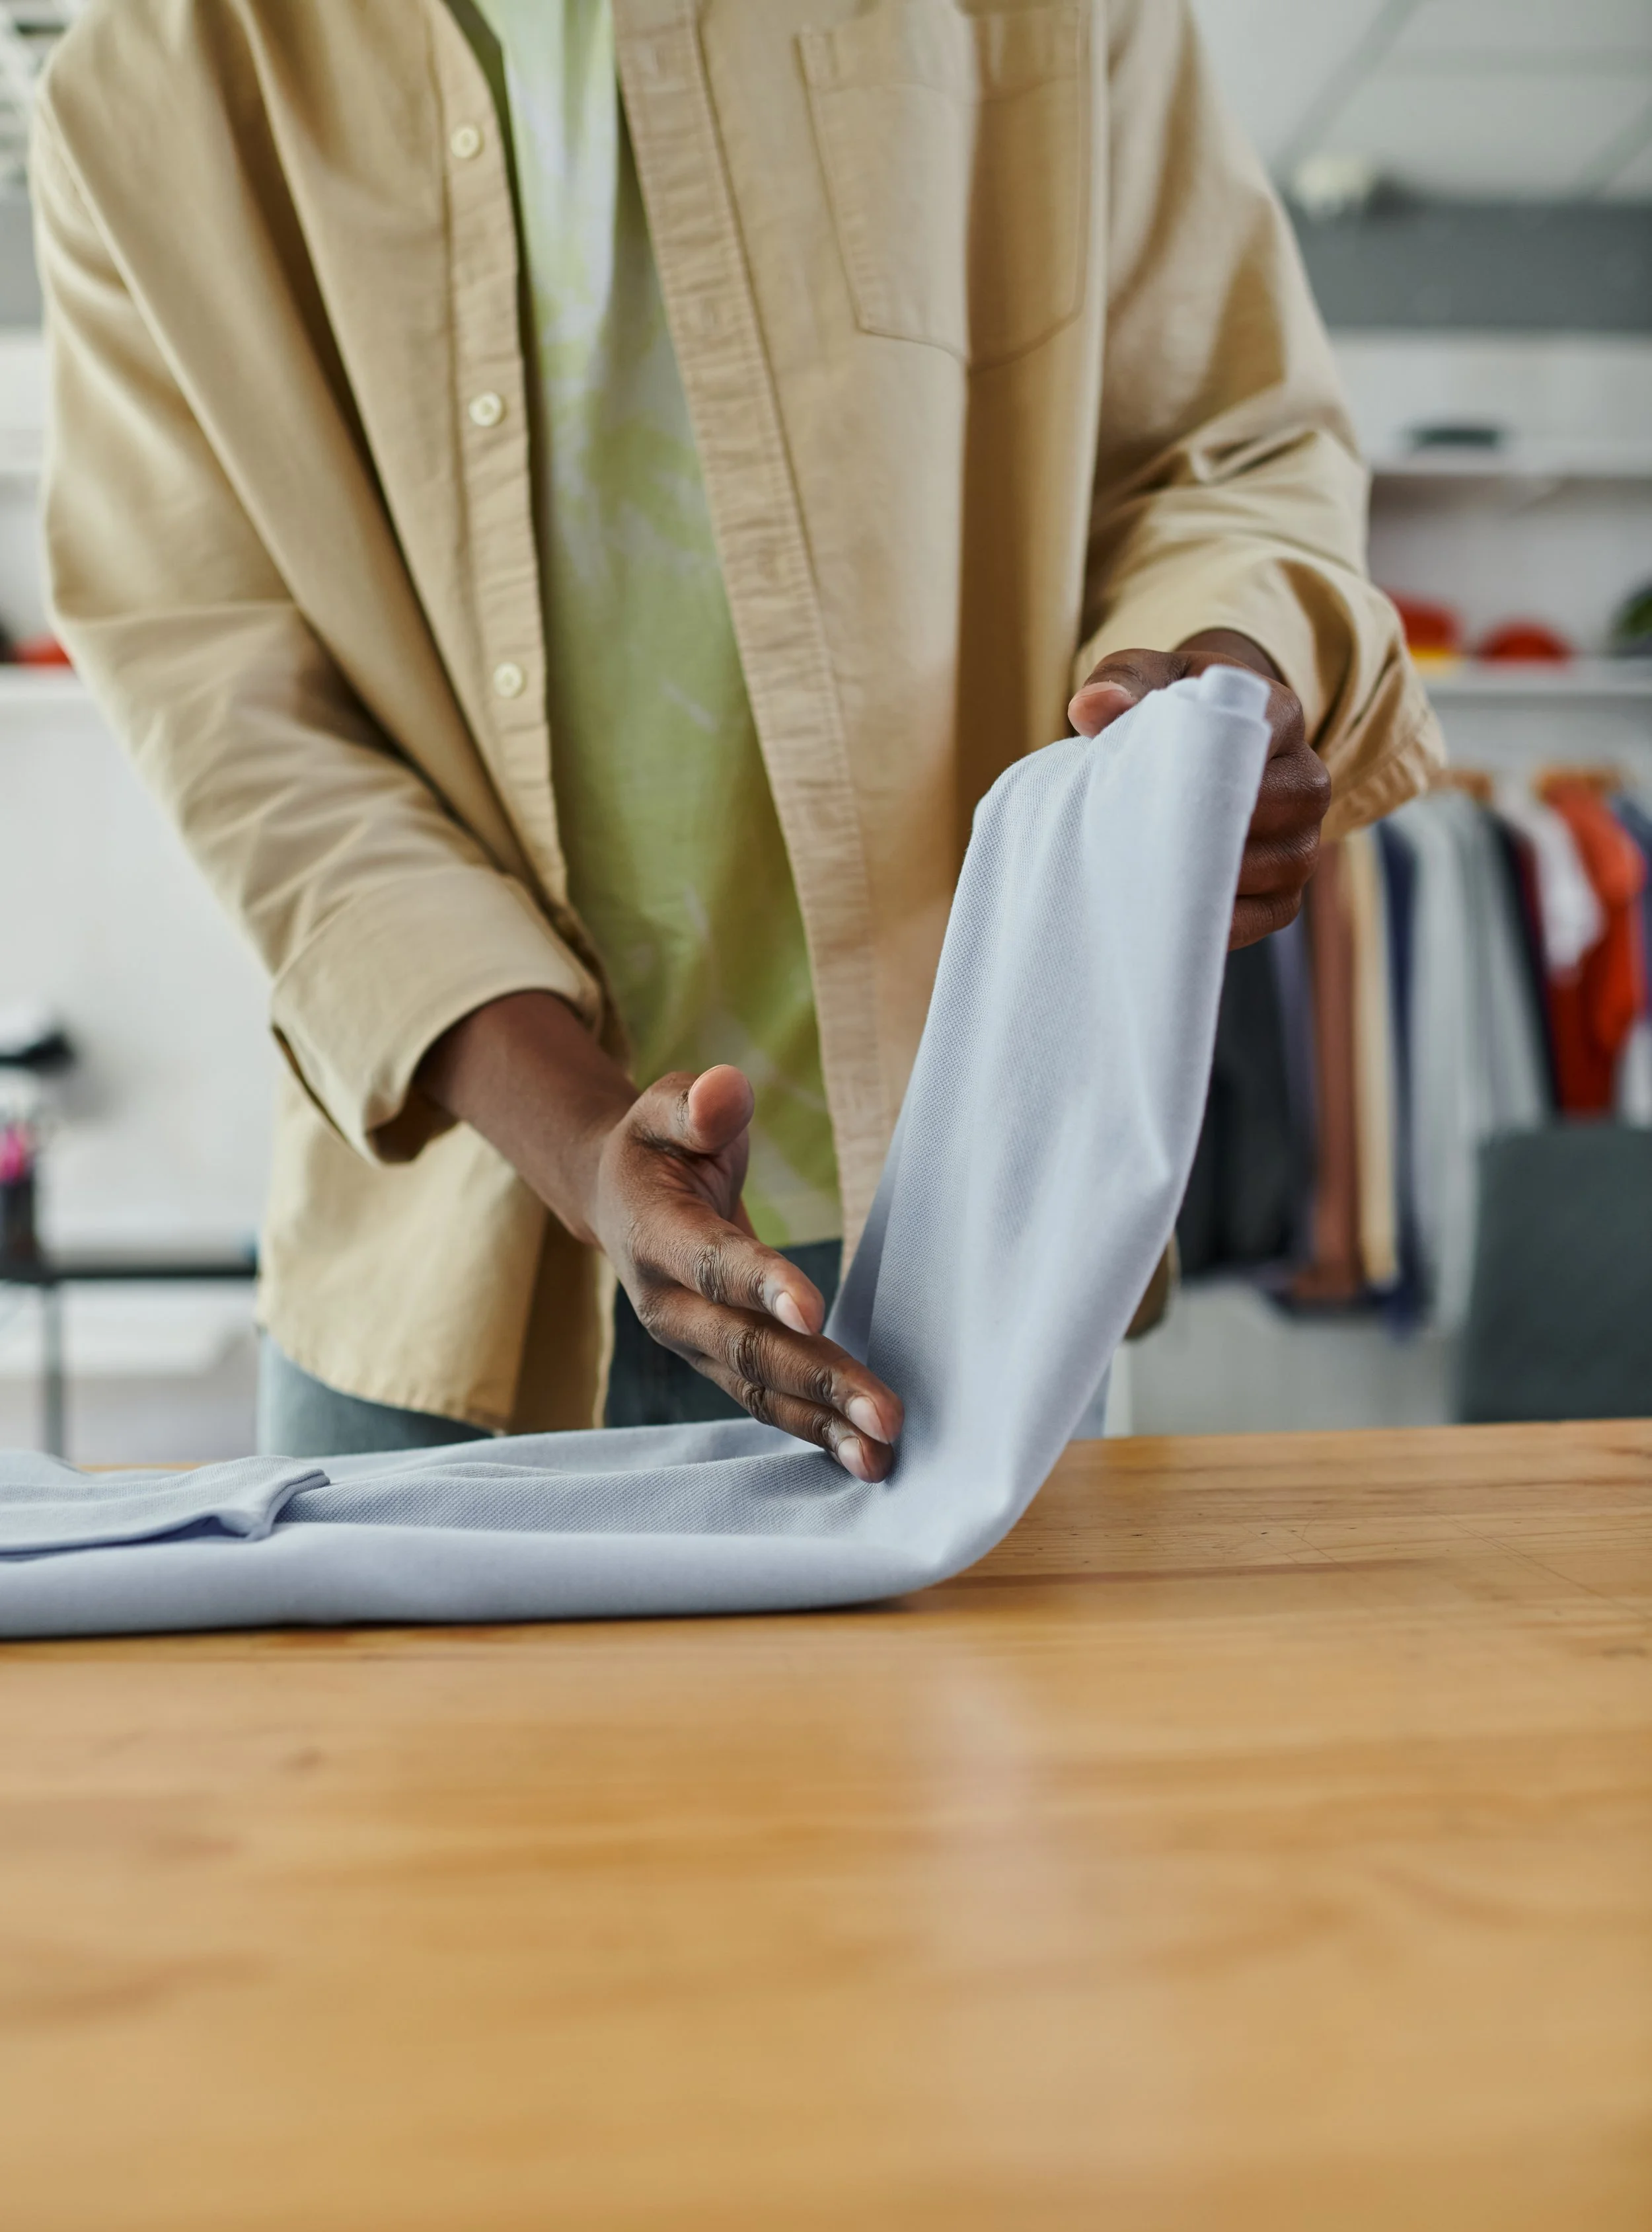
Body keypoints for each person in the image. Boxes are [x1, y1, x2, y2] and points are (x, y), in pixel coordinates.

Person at [30, 0, 1442, 1479]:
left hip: (965, 1244)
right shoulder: (148, 86)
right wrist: (581, 1142)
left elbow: (1228, 447)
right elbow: (230, 698)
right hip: (445, 1280)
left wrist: (1211, 695)